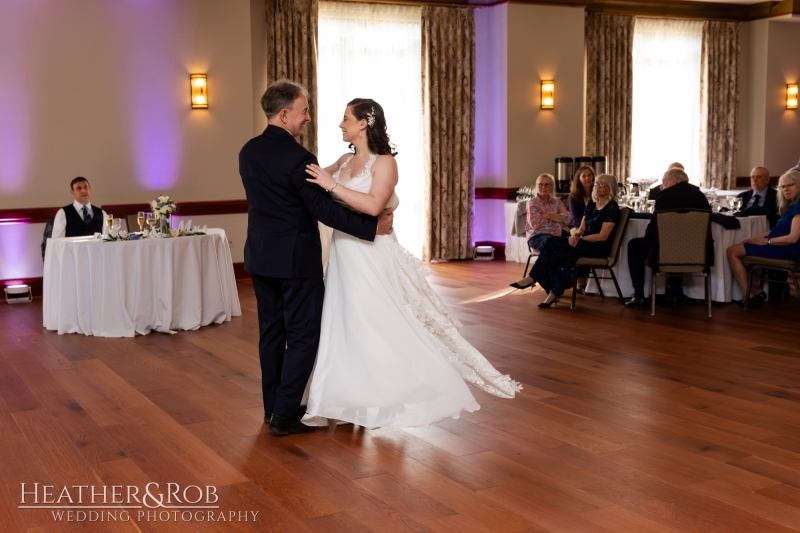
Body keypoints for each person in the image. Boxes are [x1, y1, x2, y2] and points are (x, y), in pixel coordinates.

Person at [301, 98, 520, 428]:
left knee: (374, 322)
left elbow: (375, 205)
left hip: (372, 254)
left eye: (346, 118)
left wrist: (332, 185)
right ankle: (342, 399)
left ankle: (395, 389)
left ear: (364, 123)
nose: (340, 123)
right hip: (343, 252)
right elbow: (311, 185)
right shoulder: (344, 160)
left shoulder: (385, 162)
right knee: (341, 322)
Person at [239, 81, 394, 436]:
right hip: (295, 261)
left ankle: (273, 408)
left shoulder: (248, 152)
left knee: (271, 335)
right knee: (304, 335)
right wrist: (373, 227)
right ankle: (286, 414)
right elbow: (323, 209)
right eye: (304, 111)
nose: (308, 117)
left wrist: (337, 166)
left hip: (260, 258)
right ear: (284, 114)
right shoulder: (298, 158)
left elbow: (279, 196)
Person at [511, 174, 620, 308]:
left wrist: (580, 239)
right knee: (568, 259)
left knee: (552, 243)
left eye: (602, 185)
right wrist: (576, 235)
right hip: (583, 243)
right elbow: (581, 228)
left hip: (598, 246)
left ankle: (533, 277)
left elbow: (603, 236)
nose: (597, 187)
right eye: (596, 183)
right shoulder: (592, 204)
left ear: (611, 188)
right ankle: (554, 292)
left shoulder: (612, 207)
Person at [623, 168, 711, 310]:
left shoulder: (664, 195)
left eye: (664, 181)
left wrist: (648, 236)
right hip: (698, 252)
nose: (661, 185)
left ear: (674, 181)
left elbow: (653, 228)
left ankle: (639, 296)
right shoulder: (700, 196)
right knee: (680, 245)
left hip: (666, 252)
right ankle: (674, 293)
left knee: (635, 245)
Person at [727, 171, 800, 307]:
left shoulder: (799, 206)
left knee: (732, 251)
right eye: (783, 187)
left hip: (787, 249)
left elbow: (792, 238)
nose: (786, 189)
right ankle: (756, 290)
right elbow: (776, 230)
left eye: (790, 185)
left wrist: (766, 241)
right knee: (738, 249)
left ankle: (748, 295)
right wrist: (754, 238)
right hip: (779, 246)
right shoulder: (794, 205)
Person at [522, 173, 570, 251]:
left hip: (560, 234)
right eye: (540, 184)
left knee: (577, 240)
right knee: (553, 243)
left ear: (552, 187)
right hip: (538, 236)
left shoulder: (557, 201)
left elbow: (567, 218)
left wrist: (546, 215)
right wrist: (557, 219)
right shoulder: (532, 203)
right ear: (536, 186)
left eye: (547, 184)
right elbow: (535, 224)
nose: (543, 187)